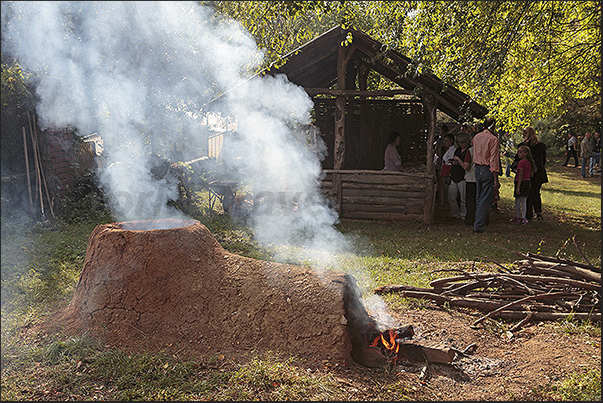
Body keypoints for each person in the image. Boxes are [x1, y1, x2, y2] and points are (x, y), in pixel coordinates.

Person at [471, 118, 500, 233]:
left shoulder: (476, 137)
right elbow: (493, 159)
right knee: (485, 198)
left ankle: (479, 221)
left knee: (479, 196)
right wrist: (495, 178)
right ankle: (479, 225)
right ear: (492, 127)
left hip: (477, 168)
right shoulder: (493, 139)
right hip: (487, 169)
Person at [513, 126, 548, 220]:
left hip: (526, 171)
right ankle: (538, 211)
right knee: (536, 192)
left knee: (527, 193)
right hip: (538, 171)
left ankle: (528, 213)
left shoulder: (523, 146)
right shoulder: (540, 146)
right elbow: (543, 159)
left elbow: (517, 158)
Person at [510, 145, 536, 225]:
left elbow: (520, 174)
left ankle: (518, 216)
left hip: (521, 182)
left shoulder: (521, 163)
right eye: (518, 152)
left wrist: (518, 186)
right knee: (524, 200)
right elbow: (531, 174)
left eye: (520, 152)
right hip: (527, 182)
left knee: (518, 200)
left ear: (526, 153)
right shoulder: (529, 163)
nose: (518, 154)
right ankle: (523, 217)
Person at [448, 132, 471, 221]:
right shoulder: (457, 150)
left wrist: (459, 161)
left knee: (463, 199)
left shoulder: (469, 150)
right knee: (451, 197)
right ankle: (455, 214)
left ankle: (463, 215)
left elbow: (466, 166)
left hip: (463, 177)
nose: (461, 144)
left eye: (462, 142)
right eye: (459, 143)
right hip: (454, 175)